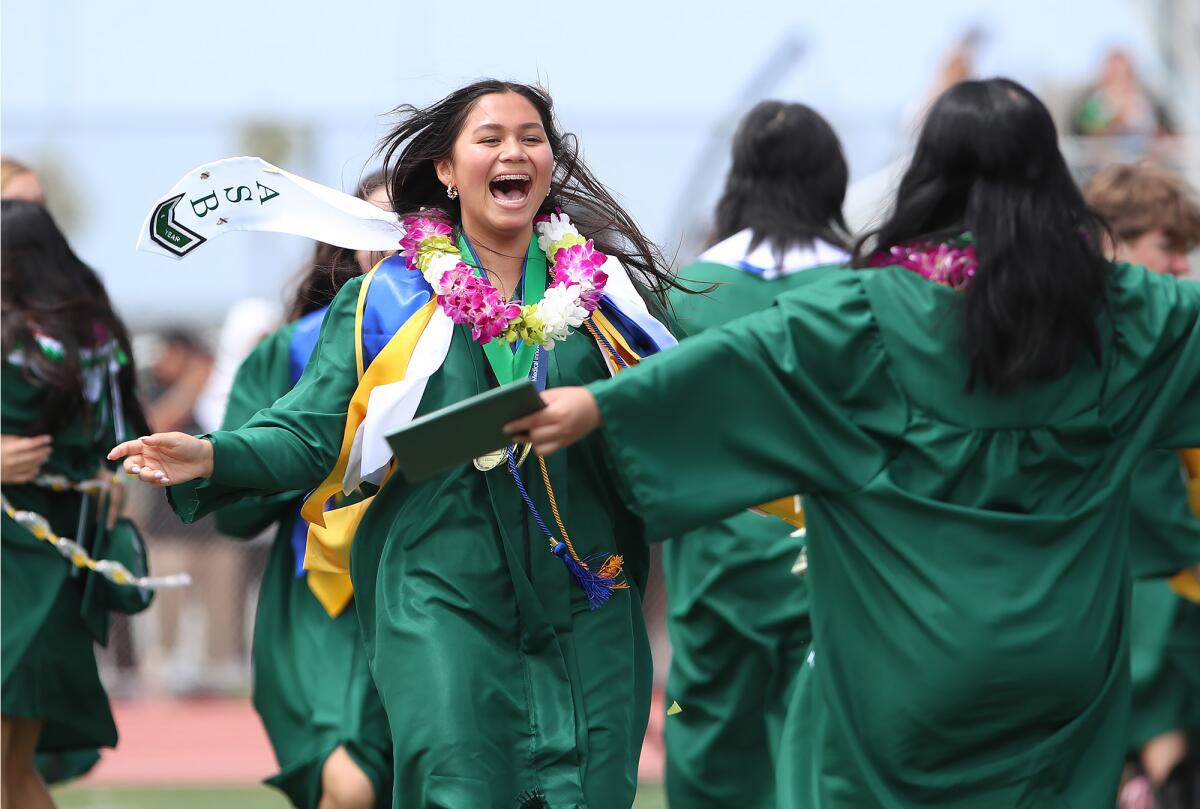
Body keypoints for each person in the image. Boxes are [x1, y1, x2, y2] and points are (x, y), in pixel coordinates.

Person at [508, 78, 1200, 807]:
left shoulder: (866, 314)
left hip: (910, 666)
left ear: (931, 173)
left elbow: (736, 365)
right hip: (1068, 667)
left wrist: (599, 406)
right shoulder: (1126, 311)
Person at [110, 80, 682, 809]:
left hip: (586, 587)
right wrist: (215, 454)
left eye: (531, 137)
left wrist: (599, 407)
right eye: (490, 137)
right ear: (445, 170)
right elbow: (310, 429)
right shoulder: (388, 300)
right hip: (443, 586)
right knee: (459, 789)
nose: (514, 151)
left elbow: (677, 402)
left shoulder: (609, 298)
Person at [661, 100, 851, 808]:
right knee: (830, 756)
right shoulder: (868, 289)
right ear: (832, 179)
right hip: (840, 566)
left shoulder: (686, 295)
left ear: (737, 178)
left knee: (714, 755)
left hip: (717, 572)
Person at [212, 175, 393, 809]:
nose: (397, 242)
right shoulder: (294, 350)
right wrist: (303, 457)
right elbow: (233, 509)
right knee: (348, 782)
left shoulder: (485, 336)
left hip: (445, 579)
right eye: (379, 227)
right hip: (323, 590)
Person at [2, 200, 149, 809]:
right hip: (59, 561)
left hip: (19, 560)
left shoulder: (16, 339)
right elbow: (118, 442)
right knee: (12, 773)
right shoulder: (98, 336)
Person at [1085, 162, 1200, 808]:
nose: (1183, 266)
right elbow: (1154, 497)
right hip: (1145, 592)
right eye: (1168, 246)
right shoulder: (1122, 347)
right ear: (1113, 243)